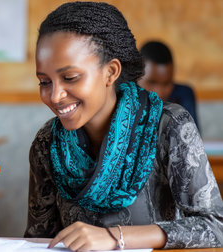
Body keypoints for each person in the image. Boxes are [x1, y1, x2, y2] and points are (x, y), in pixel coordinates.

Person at [24, 1, 223, 251]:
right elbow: (37, 240)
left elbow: (215, 225)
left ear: (111, 72)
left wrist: (113, 236)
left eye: (70, 78)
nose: (54, 96)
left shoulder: (168, 126)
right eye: (44, 81)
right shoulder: (47, 144)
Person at [138, 40, 200, 128]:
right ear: (136, 77)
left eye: (166, 84)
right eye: (152, 82)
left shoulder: (184, 95)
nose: (159, 92)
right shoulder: (123, 99)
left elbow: (192, 138)